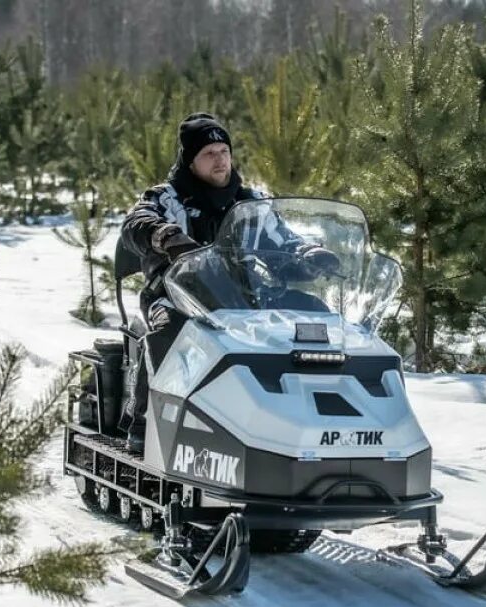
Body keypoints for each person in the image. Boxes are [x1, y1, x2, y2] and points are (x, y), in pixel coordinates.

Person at [116, 112, 337, 452]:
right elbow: (136, 223)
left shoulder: (250, 201)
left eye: (224, 151)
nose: (220, 160)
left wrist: (310, 254)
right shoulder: (167, 198)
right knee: (169, 331)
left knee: (315, 315)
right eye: (209, 153)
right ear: (190, 161)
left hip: (244, 298)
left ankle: (317, 416)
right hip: (177, 295)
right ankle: (144, 421)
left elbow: (283, 241)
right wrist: (164, 235)